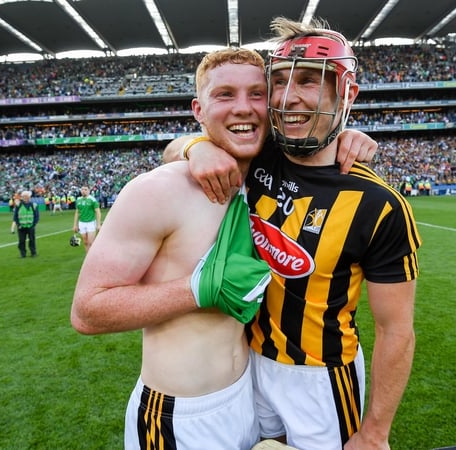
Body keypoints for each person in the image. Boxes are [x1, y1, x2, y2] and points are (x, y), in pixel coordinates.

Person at [176, 17, 421, 449]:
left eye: (308, 80)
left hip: (320, 379)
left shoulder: (379, 205)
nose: (288, 96)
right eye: (280, 81)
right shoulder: (259, 155)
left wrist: (375, 432)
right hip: (248, 363)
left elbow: (396, 330)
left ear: (346, 93)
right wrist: (196, 147)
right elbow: (175, 148)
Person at [71, 48, 274, 449]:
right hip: (177, 417)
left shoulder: (269, 180)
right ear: (199, 109)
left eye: (257, 94)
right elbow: (87, 311)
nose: (244, 107)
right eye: (225, 95)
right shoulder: (157, 190)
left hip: (247, 397)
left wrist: (349, 139)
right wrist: (194, 289)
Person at [72, 186, 101, 253]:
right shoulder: (78, 200)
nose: (83, 191)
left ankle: (93, 256)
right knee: (85, 242)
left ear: (89, 191)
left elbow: (98, 212)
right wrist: (75, 225)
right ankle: (87, 256)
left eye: (85, 189)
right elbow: (77, 212)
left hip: (91, 223)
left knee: (91, 242)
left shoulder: (92, 200)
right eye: (82, 189)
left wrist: (98, 224)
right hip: (81, 223)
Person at [13, 190, 39, 258]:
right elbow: (15, 216)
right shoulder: (18, 205)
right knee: (21, 241)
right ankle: (23, 254)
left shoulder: (34, 205)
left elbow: (36, 216)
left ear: (29, 197)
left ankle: (33, 253)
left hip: (31, 226)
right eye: (24, 196)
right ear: (22, 197)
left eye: (26, 196)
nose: (25, 198)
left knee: (32, 240)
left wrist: (34, 224)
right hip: (21, 226)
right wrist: (18, 224)